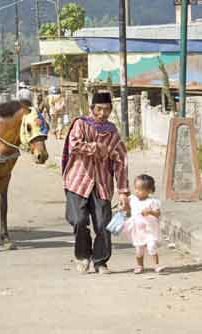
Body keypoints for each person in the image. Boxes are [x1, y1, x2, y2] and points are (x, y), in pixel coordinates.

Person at [62, 91, 130, 274]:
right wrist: (96, 147)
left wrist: (124, 191)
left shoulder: (112, 131)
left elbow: (121, 160)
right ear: (92, 108)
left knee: (103, 225)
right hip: (78, 182)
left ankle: (100, 261)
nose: (102, 113)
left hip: (102, 184)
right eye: (99, 109)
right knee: (78, 220)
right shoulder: (81, 124)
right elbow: (74, 144)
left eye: (107, 109)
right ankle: (83, 256)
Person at [122, 175, 164, 274]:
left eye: (140, 189)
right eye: (135, 188)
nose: (136, 191)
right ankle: (139, 265)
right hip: (138, 230)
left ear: (149, 191)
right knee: (139, 249)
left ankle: (156, 265)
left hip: (150, 229)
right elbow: (127, 209)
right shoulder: (132, 199)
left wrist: (150, 212)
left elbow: (158, 213)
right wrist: (123, 206)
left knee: (151, 246)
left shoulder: (153, 201)